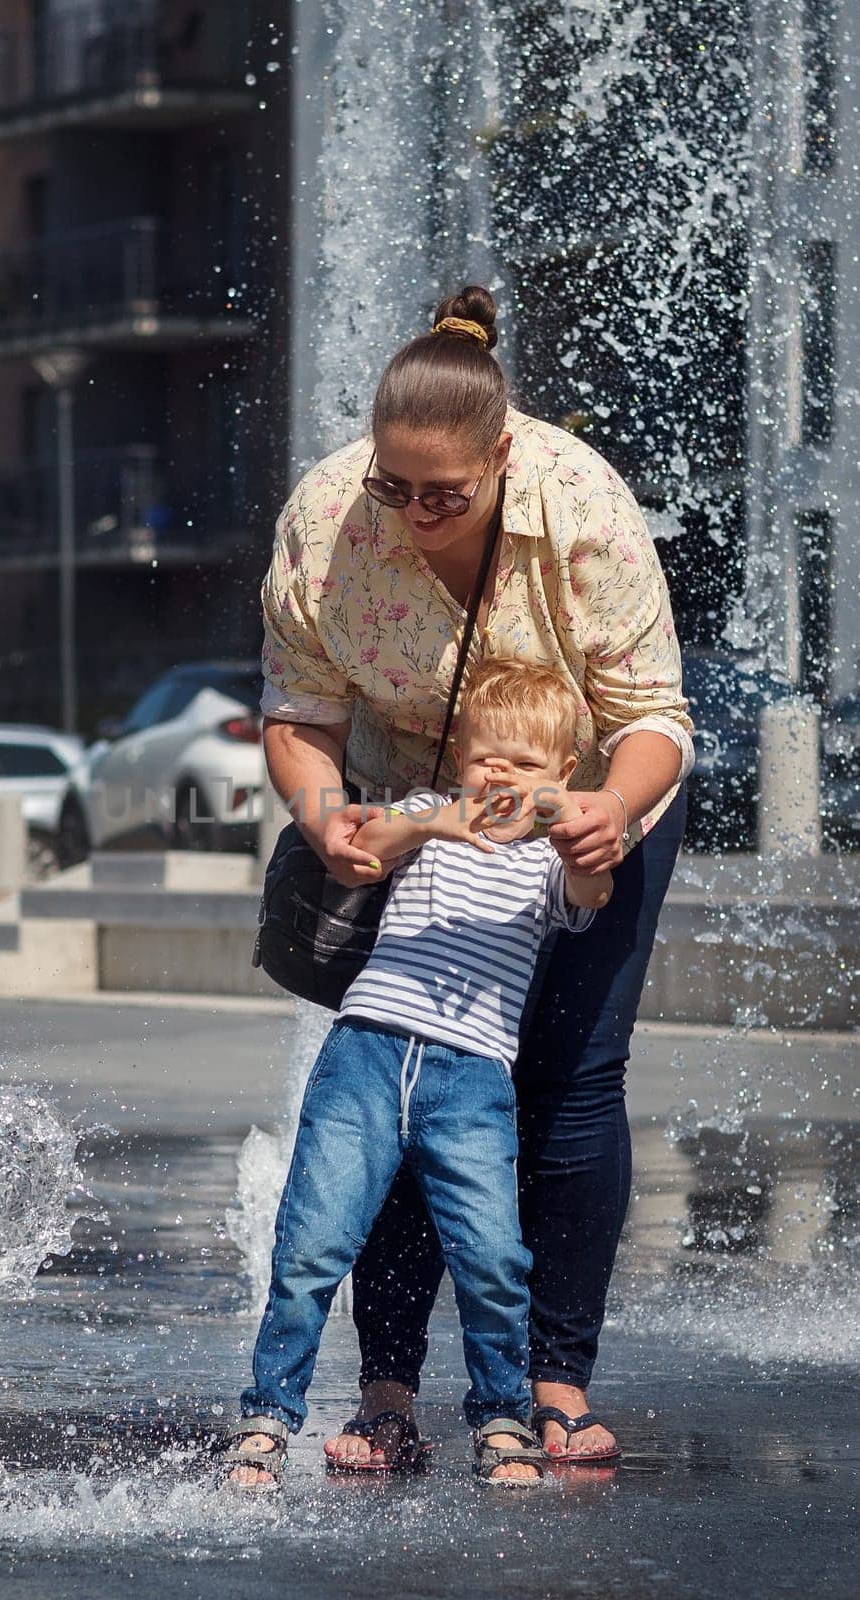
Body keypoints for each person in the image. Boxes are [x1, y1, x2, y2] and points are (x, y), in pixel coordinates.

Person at [257, 285, 694, 1468]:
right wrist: (324, 817)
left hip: (592, 801)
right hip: (418, 811)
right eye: (391, 487)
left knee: (568, 1078)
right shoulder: (328, 518)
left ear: (502, 457)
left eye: (440, 495)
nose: (407, 517)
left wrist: (605, 808)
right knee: (410, 1069)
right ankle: (388, 1397)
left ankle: (554, 1383)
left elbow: (653, 716)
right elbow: (296, 711)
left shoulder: (584, 506)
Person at [219, 661, 613, 1490]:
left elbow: (592, 888)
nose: (499, 775)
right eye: (484, 758)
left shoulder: (549, 856)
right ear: (457, 760)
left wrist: (566, 822)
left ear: (564, 773)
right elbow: (363, 843)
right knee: (311, 1241)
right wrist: (437, 821)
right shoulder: (427, 813)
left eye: (524, 763)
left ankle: (501, 1416)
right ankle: (267, 1416)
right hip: (365, 1050)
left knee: (492, 1255)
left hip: (469, 1075)